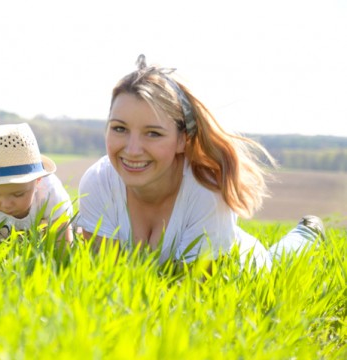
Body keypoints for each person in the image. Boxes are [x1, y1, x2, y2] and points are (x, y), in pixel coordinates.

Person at [77, 55, 325, 269]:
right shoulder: (99, 182)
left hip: (247, 269)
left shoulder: (206, 192)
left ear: (182, 140)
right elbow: (110, 278)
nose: (132, 150)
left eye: (153, 133)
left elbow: (190, 296)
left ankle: (308, 232)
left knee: (278, 261)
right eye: (119, 128)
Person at [0, 122, 74, 246]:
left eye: (18, 194)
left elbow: (63, 244)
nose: (6, 204)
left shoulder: (50, 193)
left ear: (38, 180)